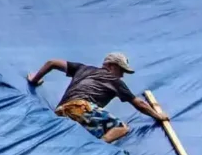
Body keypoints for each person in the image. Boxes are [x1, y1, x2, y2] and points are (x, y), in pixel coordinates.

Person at [27, 52, 167, 143]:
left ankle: (94, 143)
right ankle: (100, 147)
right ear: (111, 66)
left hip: (62, 111)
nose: (122, 75)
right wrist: (158, 116)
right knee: (121, 128)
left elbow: (52, 62)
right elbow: (139, 104)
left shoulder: (83, 69)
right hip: (82, 107)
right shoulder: (115, 81)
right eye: (121, 70)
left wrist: (34, 79)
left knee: (86, 133)